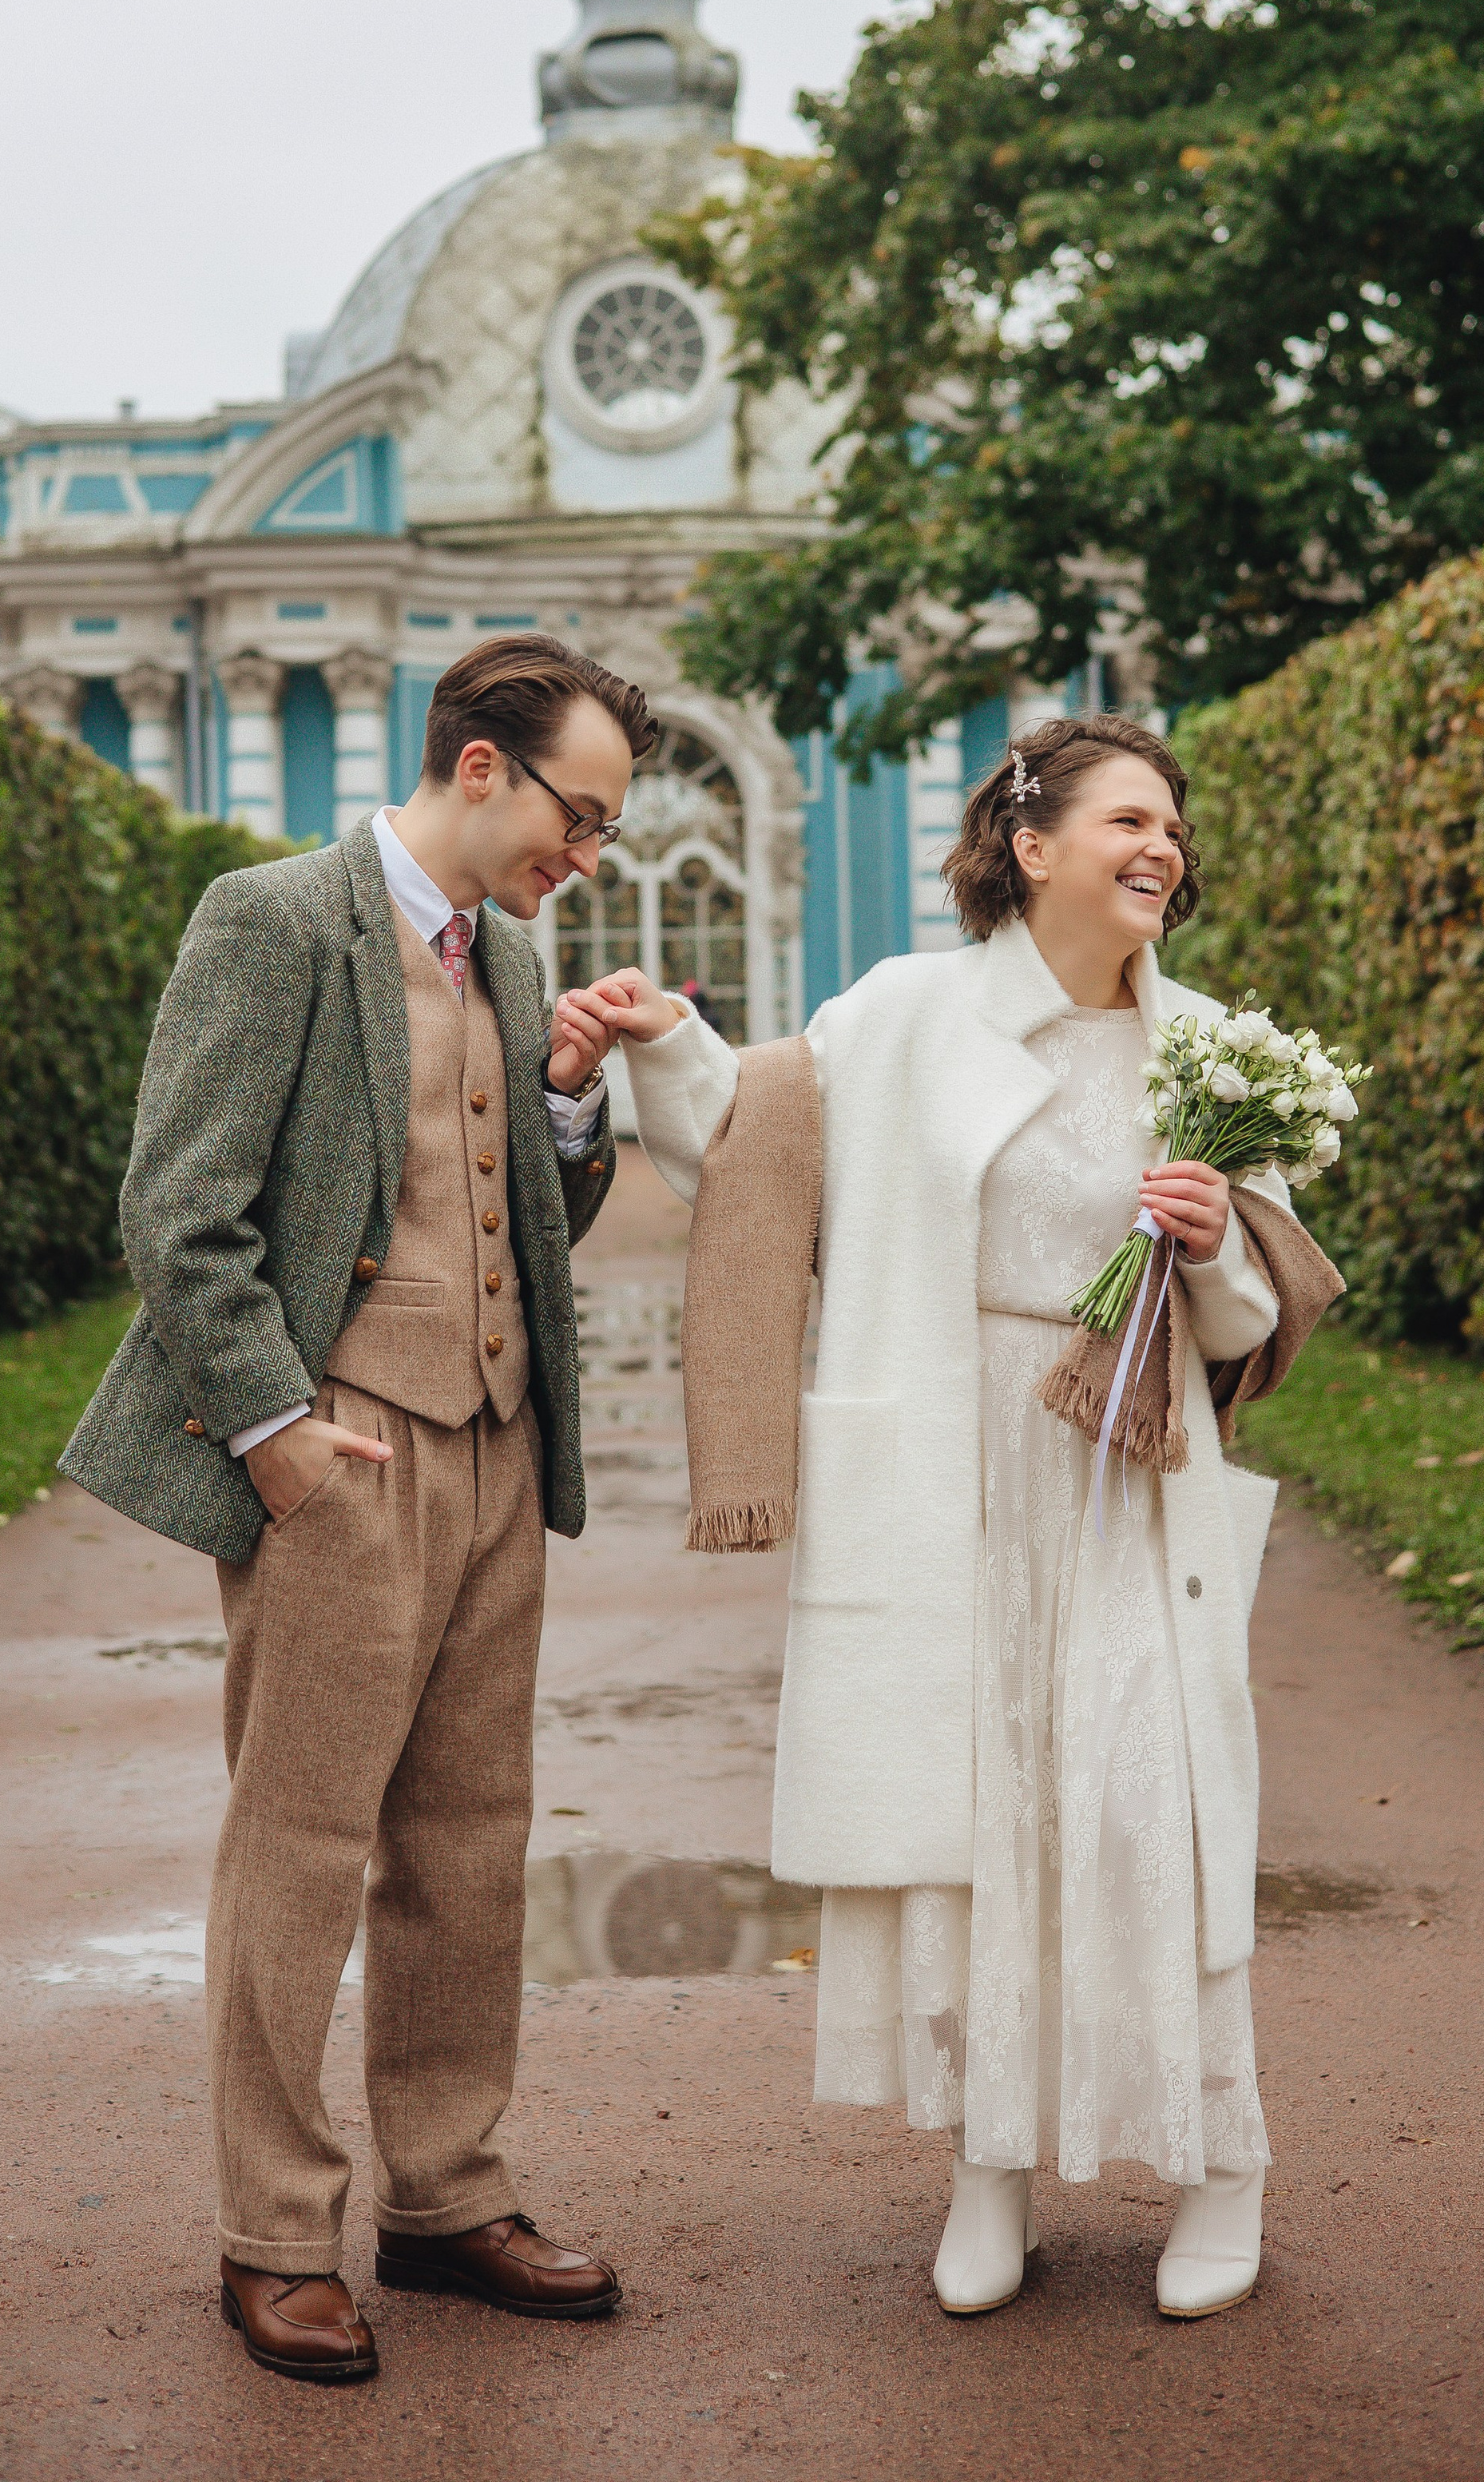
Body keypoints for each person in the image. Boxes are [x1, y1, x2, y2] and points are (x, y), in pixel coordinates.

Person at [554, 714, 1339, 2325]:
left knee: (1145, 1812)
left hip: (1127, 1475)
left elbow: (1246, 1314)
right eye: (1128, 818)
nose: (1160, 848)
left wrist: (1201, 1249)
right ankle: (989, 2175)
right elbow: (751, 1135)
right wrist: (657, 1039)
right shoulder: (906, 1012)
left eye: (1172, 829)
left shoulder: (1203, 1047)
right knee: (974, 1818)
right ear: (1029, 843)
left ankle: (1218, 2166)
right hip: (948, 1458)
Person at [61, 634, 649, 2385]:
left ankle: (446, 2197)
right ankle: (272, 2234)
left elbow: (532, 1218)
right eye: (580, 813)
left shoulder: (514, 950)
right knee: (302, 1844)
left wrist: (560, 1094)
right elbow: (181, 1208)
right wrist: (272, 1436)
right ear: (479, 764)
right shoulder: (271, 918)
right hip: (335, 1457)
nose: (588, 854)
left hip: (492, 1448)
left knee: (468, 1847)